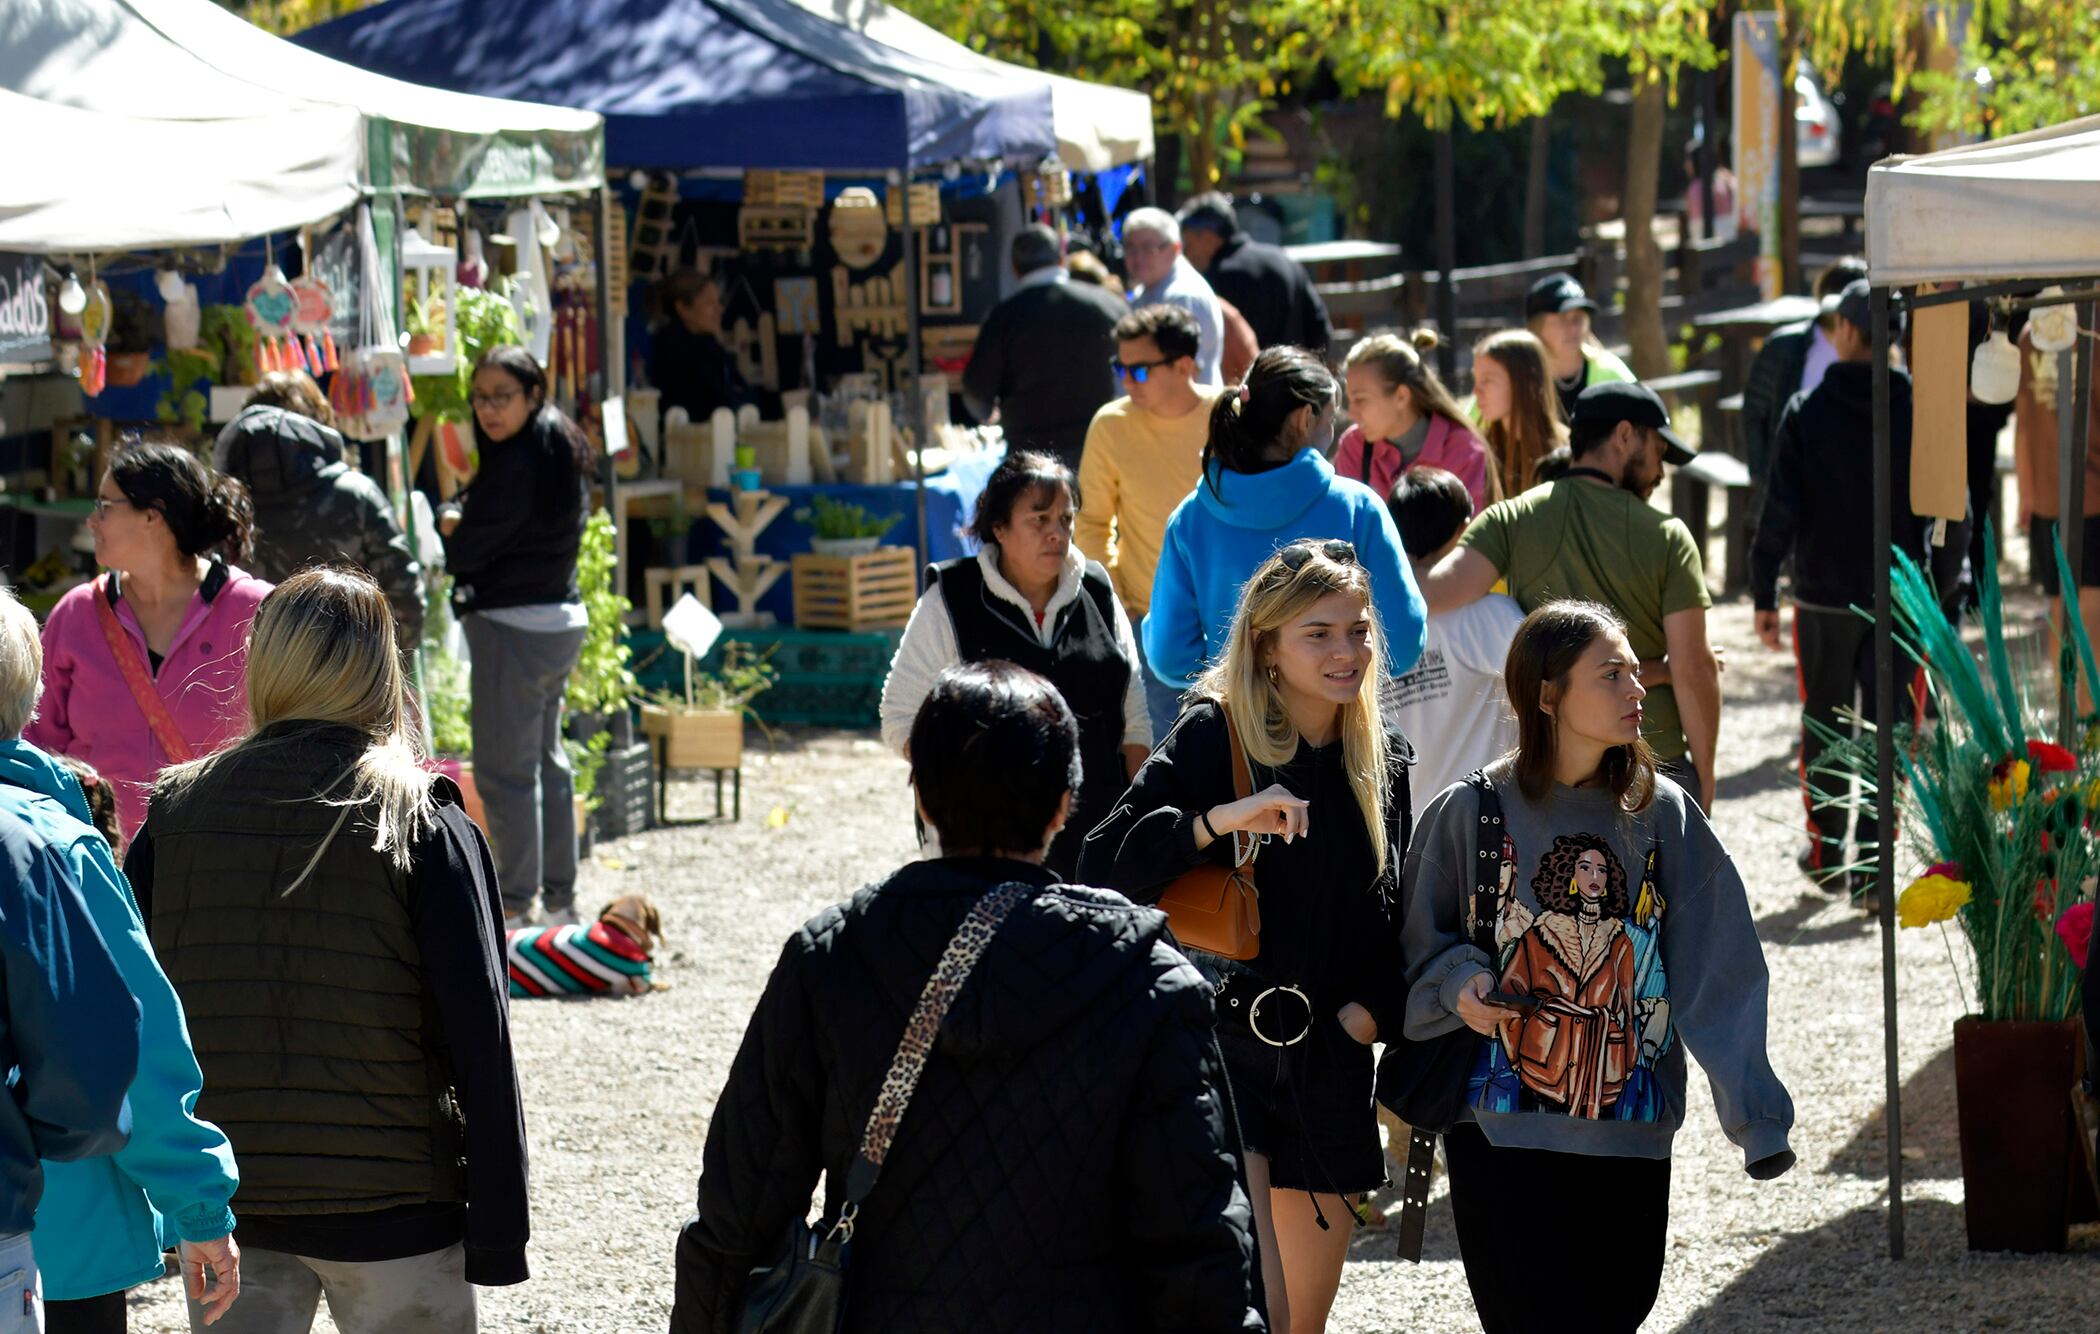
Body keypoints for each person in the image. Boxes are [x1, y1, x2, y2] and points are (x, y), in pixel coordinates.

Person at [676, 661, 1263, 1334]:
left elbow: (735, 1212)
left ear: (921, 799)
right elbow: (1199, 1242)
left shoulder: (833, 956)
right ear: (1063, 806)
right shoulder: (1145, 979)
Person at [133, 568, 529, 1334]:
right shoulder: (421, 819)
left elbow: (139, 1016)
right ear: (383, 668)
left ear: (265, 664)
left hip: (227, 1202)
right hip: (393, 1204)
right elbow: (481, 1034)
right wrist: (498, 1229)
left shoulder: (174, 815)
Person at [1400, 600, 1794, 1334]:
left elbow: (1720, 966)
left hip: (1630, 1125)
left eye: (1636, 673)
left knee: (1615, 1315)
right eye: (1610, 675)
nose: (1638, 689)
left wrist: (1756, 1119)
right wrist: (1461, 984)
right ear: (1546, 695)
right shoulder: (1469, 813)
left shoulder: (1664, 815)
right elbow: (1418, 945)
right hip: (1502, 1131)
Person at [1081, 543, 1410, 1334]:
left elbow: (1398, 927)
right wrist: (1217, 822)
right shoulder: (1211, 734)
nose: (1347, 652)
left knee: (1303, 1324)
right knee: (1257, 1308)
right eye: (1319, 633)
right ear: (1266, 644)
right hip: (1223, 1046)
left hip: (1328, 1056)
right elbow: (1101, 867)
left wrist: (1365, 1016)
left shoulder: (1384, 761)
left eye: (1359, 631)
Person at [0, 591, 241, 1334]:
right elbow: (127, 1046)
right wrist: (198, 1204)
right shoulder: (51, 845)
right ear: (31, 695)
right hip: (50, 1227)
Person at [1751, 280, 1964, 900]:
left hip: (1821, 596)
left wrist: (1763, 589)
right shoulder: (1920, 408)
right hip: (1901, 595)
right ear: (1893, 337)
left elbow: (1778, 510)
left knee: (1824, 725)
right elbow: (1954, 511)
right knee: (1892, 728)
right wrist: (1940, 591)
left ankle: (1827, 852)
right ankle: (1875, 865)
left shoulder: (1807, 411)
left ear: (1846, 331)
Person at [1420, 382, 1721, 809]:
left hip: (1554, 768)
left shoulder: (1512, 518)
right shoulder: (1668, 535)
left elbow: (1433, 592)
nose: (1660, 471)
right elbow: (1694, 668)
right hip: (1652, 761)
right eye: (1658, 451)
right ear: (1624, 435)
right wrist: (1705, 780)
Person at [879, 452, 1148, 879]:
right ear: (999, 528)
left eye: (1065, 518)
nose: (1056, 533)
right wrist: (958, 801)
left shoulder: (1096, 591)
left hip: (1096, 840)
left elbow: (1133, 718)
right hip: (983, 846)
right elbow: (899, 717)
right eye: (1039, 519)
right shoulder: (952, 598)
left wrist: (1135, 820)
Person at [1145, 347, 1427, 700]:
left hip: (1236, 728)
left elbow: (1169, 657)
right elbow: (1401, 642)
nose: (1335, 433)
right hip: (1339, 727)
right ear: (1304, 418)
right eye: (1330, 419)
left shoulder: (1189, 519)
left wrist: (1240, 674)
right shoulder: (1359, 507)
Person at [28, 442, 270, 844]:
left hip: (217, 856)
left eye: (105, 506)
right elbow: (36, 742)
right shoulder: (76, 614)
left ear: (152, 516)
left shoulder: (255, 611)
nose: (91, 521)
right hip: (99, 860)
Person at [437, 345, 592, 929]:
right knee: (549, 762)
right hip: (558, 620)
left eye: (502, 397)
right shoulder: (559, 440)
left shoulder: (518, 459)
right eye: (479, 397)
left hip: (513, 625)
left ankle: (517, 903)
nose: (488, 410)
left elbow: (473, 546)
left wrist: (452, 524)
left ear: (533, 394)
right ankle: (558, 897)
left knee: (506, 770)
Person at [1074, 305, 1225, 736]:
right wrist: (1118, 597)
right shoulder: (1110, 424)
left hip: (1234, 615)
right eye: (1119, 367)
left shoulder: (1227, 416)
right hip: (1152, 619)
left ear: (1184, 366)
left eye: (1138, 371)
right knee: (1169, 752)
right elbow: (1091, 522)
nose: (1125, 380)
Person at [214, 372, 424, 646]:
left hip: (250, 674)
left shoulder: (225, 501)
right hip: (348, 674)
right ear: (318, 423)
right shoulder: (356, 494)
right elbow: (404, 598)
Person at [1383, 468, 1523, 801]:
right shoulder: (1490, 615)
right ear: (1464, 529)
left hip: (1405, 831)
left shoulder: (1370, 622)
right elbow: (1554, 680)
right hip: (1488, 822)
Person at [960, 224, 1129, 472]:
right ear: (1062, 258)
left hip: (1031, 457)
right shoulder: (1110, 306)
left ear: (1015, 268)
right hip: (1102, 448)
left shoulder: (1004, 317)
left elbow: (977, 393)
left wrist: (986, 412)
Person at [1739, 256, 1869, 487]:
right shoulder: (1784, 348)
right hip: (1793, 482)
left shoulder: (1872, 351)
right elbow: (1754, 413)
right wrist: (1764, 477)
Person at [1334, 330, 1498, 509]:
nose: (1351, 413)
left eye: (1360, 399)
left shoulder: (1463, 451)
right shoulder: (1354, 447)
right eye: (1350, 400)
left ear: (1401, 397)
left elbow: (1470, 534)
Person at [1176, 192, 1334, 355]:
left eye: (1187, 243)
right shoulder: (1285, 261)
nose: (1185, 253)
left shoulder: (1214, 280)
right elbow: (1320, 329)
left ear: (1209, 238)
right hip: (1298, 374)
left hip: (1248, 378)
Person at [1122, 208, 1226, 385]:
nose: (1137, 257)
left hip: (1187, 411)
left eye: (1148, 248)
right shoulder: (1145, 291)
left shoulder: (1184, 296)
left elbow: (1185, 374)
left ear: (1175, 248)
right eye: (1130, 247)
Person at [646, 268, 754, 430]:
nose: (719, 310)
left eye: (719, 302)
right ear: (682, 308)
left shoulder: (709, 344)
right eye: (710, 303)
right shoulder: (674, 352)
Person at [1470, 329, 1569, 498]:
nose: (1476, 391)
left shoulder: (1567, 452)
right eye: (1476, 379)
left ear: (1527, 382)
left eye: (1488, 380)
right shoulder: (1479, 451)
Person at [1524, 274, 1636, 421]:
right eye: (1561, 320)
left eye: (1578, 318)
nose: (1573, 328)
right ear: (1536, 328)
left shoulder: (1611, 372)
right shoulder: (1519, 378)